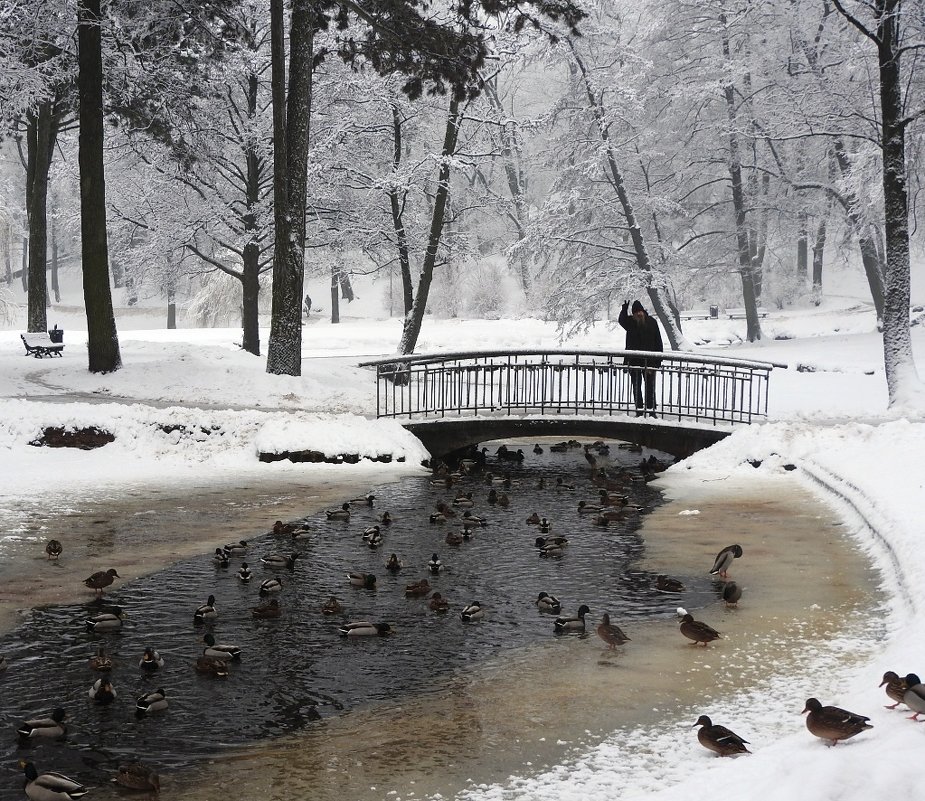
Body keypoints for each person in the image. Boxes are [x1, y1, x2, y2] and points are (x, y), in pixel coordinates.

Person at [618, 299, 663, 417]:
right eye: (636, 312)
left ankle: (651, 410)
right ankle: (639, 410)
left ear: (643, 311)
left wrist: (658, 360)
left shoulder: (652, 322)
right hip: (634, 362)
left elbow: (658, 341)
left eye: (640, 311)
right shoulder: (631, 323)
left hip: (650, 361)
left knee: (650, 387)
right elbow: (621, 320)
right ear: (633, 314)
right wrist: (624, 309)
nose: (638, 314)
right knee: (636, 387)